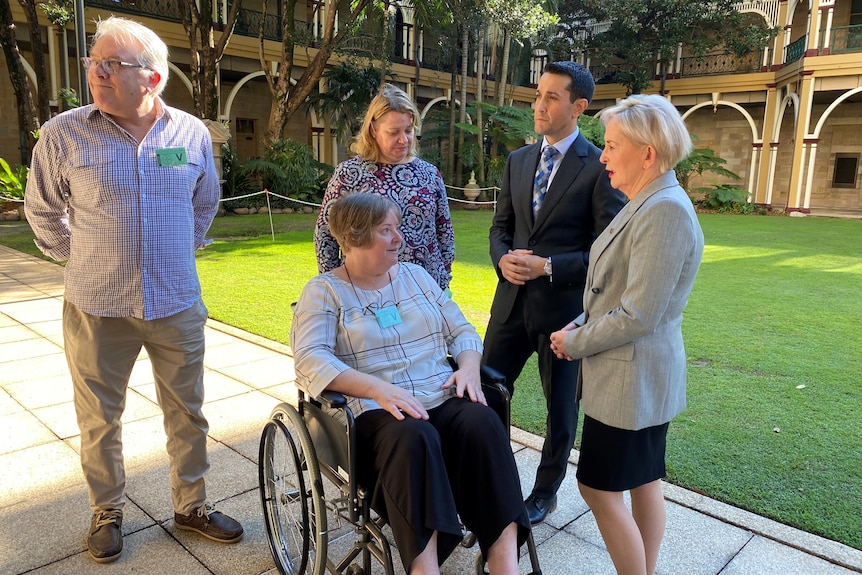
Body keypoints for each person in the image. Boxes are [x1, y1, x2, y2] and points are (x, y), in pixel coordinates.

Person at [24, 16, 242, 564]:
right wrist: (84, 262)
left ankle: (191, 505)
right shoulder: (63, 134)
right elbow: (43, 212)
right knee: (99, 417)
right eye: (94, 61)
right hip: (96, 307)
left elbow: (204, 203)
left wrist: (173, 255)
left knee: (187, 412)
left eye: (111, 64)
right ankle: (107, 510)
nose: (95, 71)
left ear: (153, 79)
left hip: (176, 302)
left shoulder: (190, 134)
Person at [292, 193, 530, 575]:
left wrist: (469, 367)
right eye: (386, 230)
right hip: (377, 410)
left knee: (483, 423)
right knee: (414, 437)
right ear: (354, 237)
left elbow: (462, 330)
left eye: (396, 228)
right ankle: (425, 569)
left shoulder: (417, 277)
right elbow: (310, 359)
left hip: (438, 392)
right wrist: (375, 389)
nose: (398, 238)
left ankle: (505, 565)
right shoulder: (324, 291)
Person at [549, 94, 704, 575]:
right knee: (643, 481)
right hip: (633, 379)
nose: (603, 156)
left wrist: (574, 341)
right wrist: (578, 322)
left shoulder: (664, 211)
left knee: (597, 487)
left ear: (648, 153)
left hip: (630, 384)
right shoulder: (648, 201)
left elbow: (639, 314)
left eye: (612, 145)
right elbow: (615, 292)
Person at [482, 61, 626, 524]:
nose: (538, 105)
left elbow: (610, 252)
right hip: (509, 307)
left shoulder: (600, 166)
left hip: (564, 315)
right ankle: (491, 478)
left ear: (579, 107)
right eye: (537, 95)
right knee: (484, 393)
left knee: (561, 411)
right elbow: (500, 228)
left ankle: (545, 493)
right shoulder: (518, 160)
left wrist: (550, 267)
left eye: (551, 98)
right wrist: (501, 257)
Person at [314, 83, 455, 292]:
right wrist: (338, 287)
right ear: (373, 130)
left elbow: (444, 232)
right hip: (367, 292)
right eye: (393, 132)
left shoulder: (429, 174)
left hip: (425, 292)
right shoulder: (349, 174)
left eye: (408, 130)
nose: (403, 139)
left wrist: (442, 280)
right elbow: (326, 235)